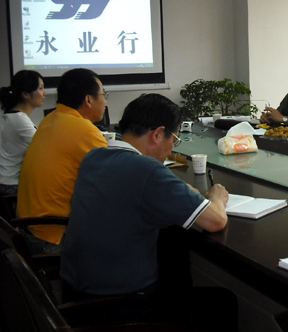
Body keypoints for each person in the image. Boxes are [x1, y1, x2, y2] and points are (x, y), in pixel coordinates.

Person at [60, 93, 237, 331]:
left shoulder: (94, 157)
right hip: (118, 305)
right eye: (174, 139)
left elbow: (134, 191)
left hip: (74, 295)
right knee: (223, 301)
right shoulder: (147, 169)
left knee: (171, 250)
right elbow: (215, 221)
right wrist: (216, 197)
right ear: (157, 134)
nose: (172, 148)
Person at [17, 68, 108, 254]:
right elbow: (111, 186)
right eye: (103, 95)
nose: (105, 102)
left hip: (28, 227)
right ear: (89, 100)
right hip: (53, 237)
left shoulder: (50, 119)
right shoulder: (85, 131)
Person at [0, 71, 46, 196]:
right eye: (40, 88)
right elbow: (43, 146)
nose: (44, 93)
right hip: (12, 185)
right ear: (26, 94)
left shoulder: (13, 116)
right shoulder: (19, 119)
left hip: (7, 182)